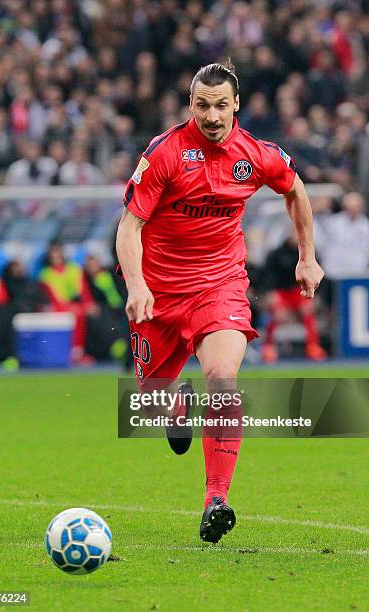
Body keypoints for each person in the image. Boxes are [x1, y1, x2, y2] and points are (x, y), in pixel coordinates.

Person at [116, 62, 324, 544]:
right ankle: (174, 408)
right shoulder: (165, 153)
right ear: (191, 105)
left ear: (236, 105)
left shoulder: (256, 153)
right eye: (201, 105)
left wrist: (307, 257)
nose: (211, 115)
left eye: (220, 105)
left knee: (223, 379)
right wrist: (137, 286)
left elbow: (294, 188)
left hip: (220, 285)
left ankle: (216, 498)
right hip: (159, 295)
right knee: (149, 404)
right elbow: (130, 226)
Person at [261, 230, 327, 362]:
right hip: (280, 292)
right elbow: (267, 276)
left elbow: (318, 275)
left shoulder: (309, 254)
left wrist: (316, 295)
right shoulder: (276, 254)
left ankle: (313, 345)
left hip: (299, 290)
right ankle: (268, 346)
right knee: (276, 315)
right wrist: (270, 294)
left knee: (308, 312)